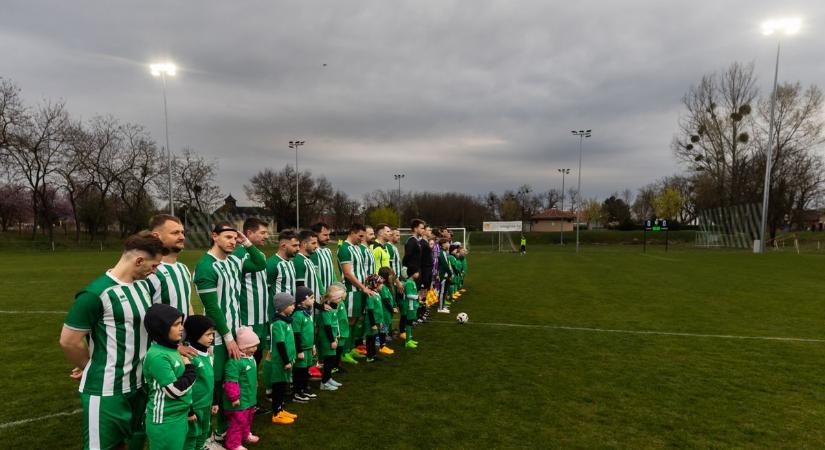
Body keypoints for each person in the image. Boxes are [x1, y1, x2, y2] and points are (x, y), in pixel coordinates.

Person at [60, 232, 167, 450]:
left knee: (130, 443)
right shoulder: (95, 294)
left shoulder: (143, 286)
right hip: (108, 391)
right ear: (139, 261)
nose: (154, 271)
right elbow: (69, 341)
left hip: (139, 385)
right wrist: (89, 367)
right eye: (154, 266)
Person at [193, 222, 266, 445]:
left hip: (235, 333)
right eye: (228, 237)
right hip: (217, 337)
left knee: (232, 382)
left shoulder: (234, 261)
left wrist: (247, 243)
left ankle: (224, 431)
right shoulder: (205, 266)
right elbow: (212, 307)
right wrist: (227, 337)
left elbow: (260, 263)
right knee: (212, 386)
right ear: (214, 236)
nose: (233, 241)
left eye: (235, 238)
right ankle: (204, 436)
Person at [143, 304, 196, 450]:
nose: (181, 328)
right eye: (176, 324)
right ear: (161, 328)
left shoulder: (170, 349)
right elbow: (174, 391)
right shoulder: (158, 356)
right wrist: (191, 370)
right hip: (165, 421)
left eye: (181, 323)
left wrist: (189, 411)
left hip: (178, 415)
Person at [264, 229, 299, 394]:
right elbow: (266, 291)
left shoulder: (291, 263)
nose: (298, 248)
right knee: (273, 352)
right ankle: (270, 388)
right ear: (283, 245)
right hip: (276, 317)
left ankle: (284, 382)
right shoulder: (272, 264)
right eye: (295, 245)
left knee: (286, 347)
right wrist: (274, 316)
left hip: (288, 316)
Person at [336, 223, 374, 364]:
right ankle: (344, 352)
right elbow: (347, 273)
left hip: (360, 289)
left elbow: (361, 270)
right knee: (349, 321)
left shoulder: (356, 248)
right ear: (352, 232)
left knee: (356, 319)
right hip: (352, 291)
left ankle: (351, 348)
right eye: (360, 236)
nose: (361, 239)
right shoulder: (344, 249)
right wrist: (362, 287)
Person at [235, 218, 270, 365]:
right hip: (247, 316)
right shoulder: (238, 254)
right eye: (262, 232)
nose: (266, 236)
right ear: (249, 233)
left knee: (259, 351)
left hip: (262, 315)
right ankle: (244, 384)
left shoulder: (260, 254)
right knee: (247, 353)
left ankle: (252, 381)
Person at [149, 215, 195, 320]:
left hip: (184, 336)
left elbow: (187, 303)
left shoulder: (183, 268)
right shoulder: (148, 271)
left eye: (182, 232)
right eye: (175, 233)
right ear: (156, 236)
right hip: (160, 336)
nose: (182, 237)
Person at [222, 327, 261, 450]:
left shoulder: (250, 359)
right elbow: (231, 381)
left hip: (249, 398)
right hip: (239, 401)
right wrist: (234, 398)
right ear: (243, 347)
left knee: (248, 419)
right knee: (237, 422)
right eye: (251, 346)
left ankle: (245, 434)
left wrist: (255, 384)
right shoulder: (235, 361)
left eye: (256, 346)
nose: (255, 349)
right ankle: (233, 444)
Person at [183, 315, 217, 450]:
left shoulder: (208, 354)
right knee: (191, 436)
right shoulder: (189, 357)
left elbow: (211, 381)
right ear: (196, 334)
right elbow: (185, 387)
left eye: (212, 334)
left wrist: (214, 401)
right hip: (195, 406)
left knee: (203, 433)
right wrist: (189, 411)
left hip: (206, 405)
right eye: (208, 334)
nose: (212, 338)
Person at [268, 293, 298, 425]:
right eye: (291, 305)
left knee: (283, 386)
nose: (293, 307)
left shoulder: (286, 320)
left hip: (287, 361)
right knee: (278, 387)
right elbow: (280, 344)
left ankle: (281, 409)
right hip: (280, 362)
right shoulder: (278, 324)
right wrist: (286, 361)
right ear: (282, 307)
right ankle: (276, 413)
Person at [317, 283, 345, 390]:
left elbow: (334, 325)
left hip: (332, 338)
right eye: (339, 298)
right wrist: (332, 340)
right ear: (332, 298)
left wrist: (336, 336)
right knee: (328, 361)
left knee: (331, 360)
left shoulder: (333, 307)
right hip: (327, 340)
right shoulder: (326, 311)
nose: (341, 300)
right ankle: (324, 383)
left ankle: (328, 379)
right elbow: (328, 327)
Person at [291, 286, 317, 403]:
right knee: (299, 371)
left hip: (308, 348)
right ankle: (297, 392)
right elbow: (296, 334)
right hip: (301, 349)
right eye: (311, 298)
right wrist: (299, 350)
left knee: (306, 370)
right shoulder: (297, 315)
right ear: (302, 300)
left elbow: (311, 331)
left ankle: (304, 389)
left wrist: (313, 345)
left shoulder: (308, 314)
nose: (313, 300)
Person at [363, 274, 385, 363]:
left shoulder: (376, 294)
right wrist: (372, 324)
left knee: (373, 338)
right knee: (370, 339)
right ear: (375, 284)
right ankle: (369, 356)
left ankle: (373, 355)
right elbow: (370, 311)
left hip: (376, 322)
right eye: (380, 284)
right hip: (371, 323)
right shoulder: (371, 296)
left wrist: (379, 322)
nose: (382, 285)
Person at [309, 222, 337, 291]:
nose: (328, 238)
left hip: (330, 295)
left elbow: (332, 273)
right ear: (315, 234)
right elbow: (315, 277)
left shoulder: (327, 251)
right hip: (320, 296)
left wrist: (337, 286)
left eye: (328, 235)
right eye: (325, 235)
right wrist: (324, 294)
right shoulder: (313, 252)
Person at [377, 266, 397, 355]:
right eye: (390, 275)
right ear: (385, 276)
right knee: (382, 330)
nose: (391, 277)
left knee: (384, 329)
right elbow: (386, 301)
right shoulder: (383, 288)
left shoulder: (386, 287)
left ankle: (381, 343)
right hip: (385, 313)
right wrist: (392, 309)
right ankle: (381, 346)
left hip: (387, 313)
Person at [400, 268, 420, 348]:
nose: (418, 274)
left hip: (413, 305)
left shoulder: (412, 282)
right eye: (417, 272)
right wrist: (417, 296)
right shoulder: (409, 283)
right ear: (412, 273)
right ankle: (407, 341)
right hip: (410, 306)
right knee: (408, 322)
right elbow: (408, 295)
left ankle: (409, 339)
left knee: (410, 322)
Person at [403, 219, 425, 290]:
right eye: (421, 228)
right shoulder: (411, 241)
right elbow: (407, 258)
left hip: (417, 271)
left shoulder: (417, 241)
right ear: (415, 229)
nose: (423, 230)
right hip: (413, 273)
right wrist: (413, 272)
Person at [436, 238, 454, 314]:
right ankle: (440, 308)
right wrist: (450, 274)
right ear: (443, 244)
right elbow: (445, 265)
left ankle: (442, 305)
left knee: (444, 291)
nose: (449, 244)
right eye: (447, 243)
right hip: (444, 275)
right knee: (442, 292)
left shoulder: (444, 252)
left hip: (446, 275)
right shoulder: (442, 252)